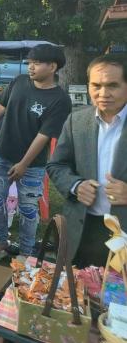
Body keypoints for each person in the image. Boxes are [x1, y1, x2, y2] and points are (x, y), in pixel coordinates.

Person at [0, 44, 72, 263]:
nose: (31, 67)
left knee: (28, 209)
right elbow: (2, 107)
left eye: (37, 63)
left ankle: (26, 252)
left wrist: (24, 164)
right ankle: (0, 242)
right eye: (30, 63)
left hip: (32, 165)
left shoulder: (60, 100)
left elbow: (44, 136)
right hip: (1, 155)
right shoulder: (19, 82)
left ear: (52, 67)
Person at [47, 54, 127, 267]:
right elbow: (57, 165)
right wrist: (75, 186)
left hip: (124, 231)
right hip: (82, 228)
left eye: (112, 85)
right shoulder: (77, 120)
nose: (103, 93)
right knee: (80, 284)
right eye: (96, 85)